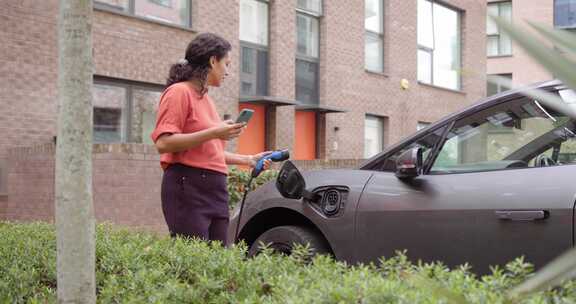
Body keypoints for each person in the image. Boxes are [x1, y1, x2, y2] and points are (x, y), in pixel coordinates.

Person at [150, 33, 271, 244]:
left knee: (217, 262)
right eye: (227, 64)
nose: (228, 72)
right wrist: (215, 132)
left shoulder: (206, 99)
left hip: (215, 188)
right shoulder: (179, 92)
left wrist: (248, 159)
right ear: (213, 60)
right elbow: (164, 143)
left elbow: (207, 151)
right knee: (195, 262)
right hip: (188, 186)